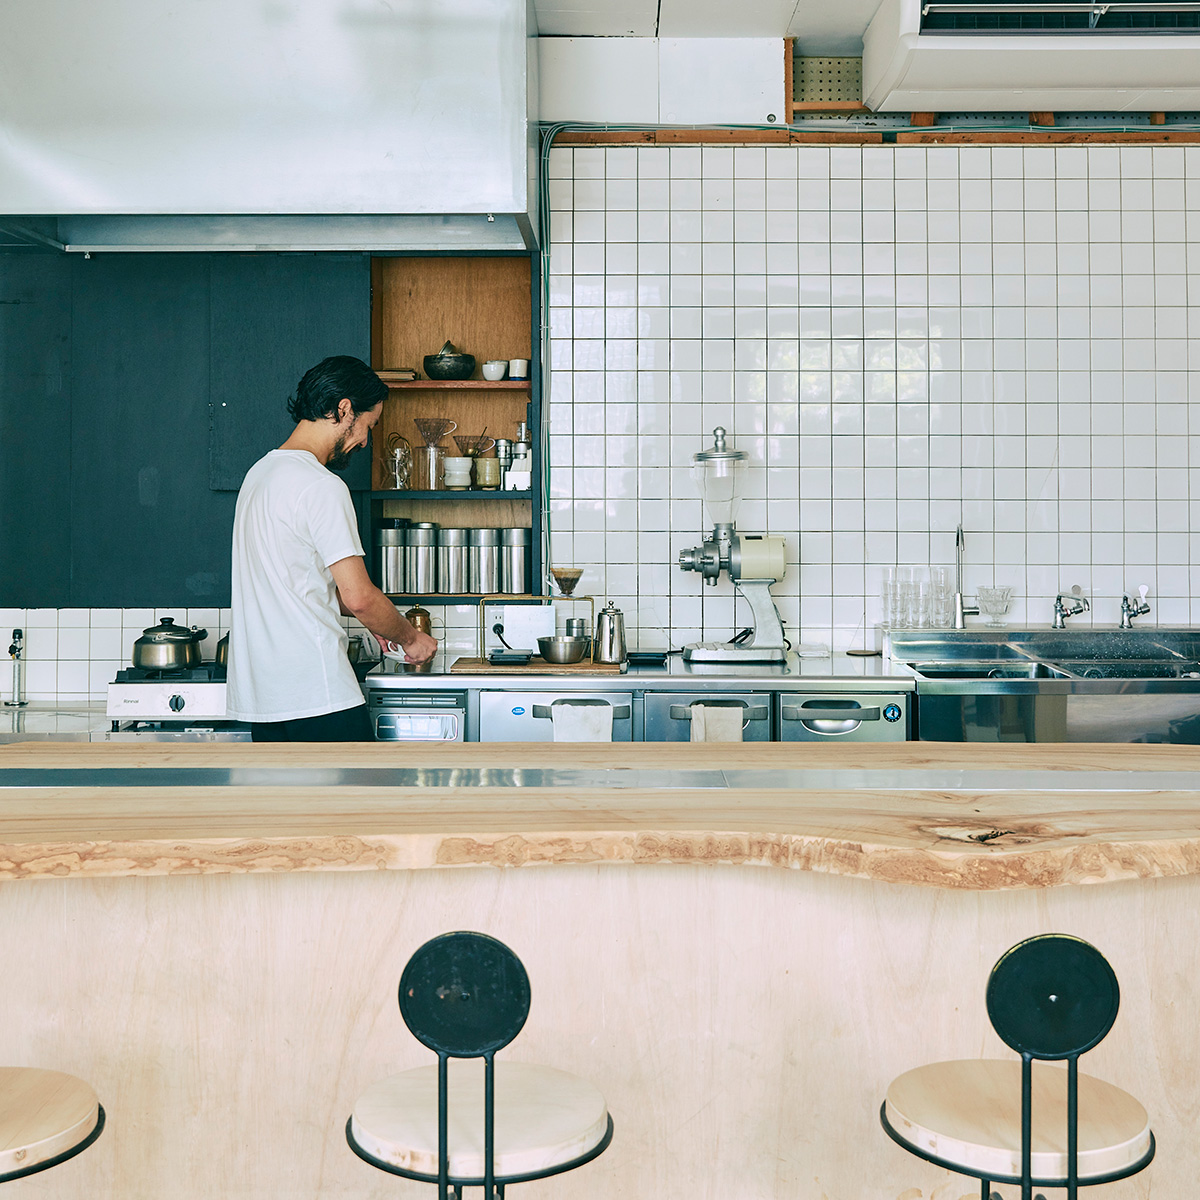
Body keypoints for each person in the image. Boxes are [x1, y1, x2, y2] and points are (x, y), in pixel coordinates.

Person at [227, 355, 437, 742]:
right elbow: (358, 598)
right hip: (318, 695)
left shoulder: (259, 475)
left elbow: (302, 584)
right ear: (344, 409)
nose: (364, 440)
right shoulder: (321, 486)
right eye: (369, 426)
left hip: (265, 700)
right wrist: (411, 638)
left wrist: (382, 621)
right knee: (354, 803)